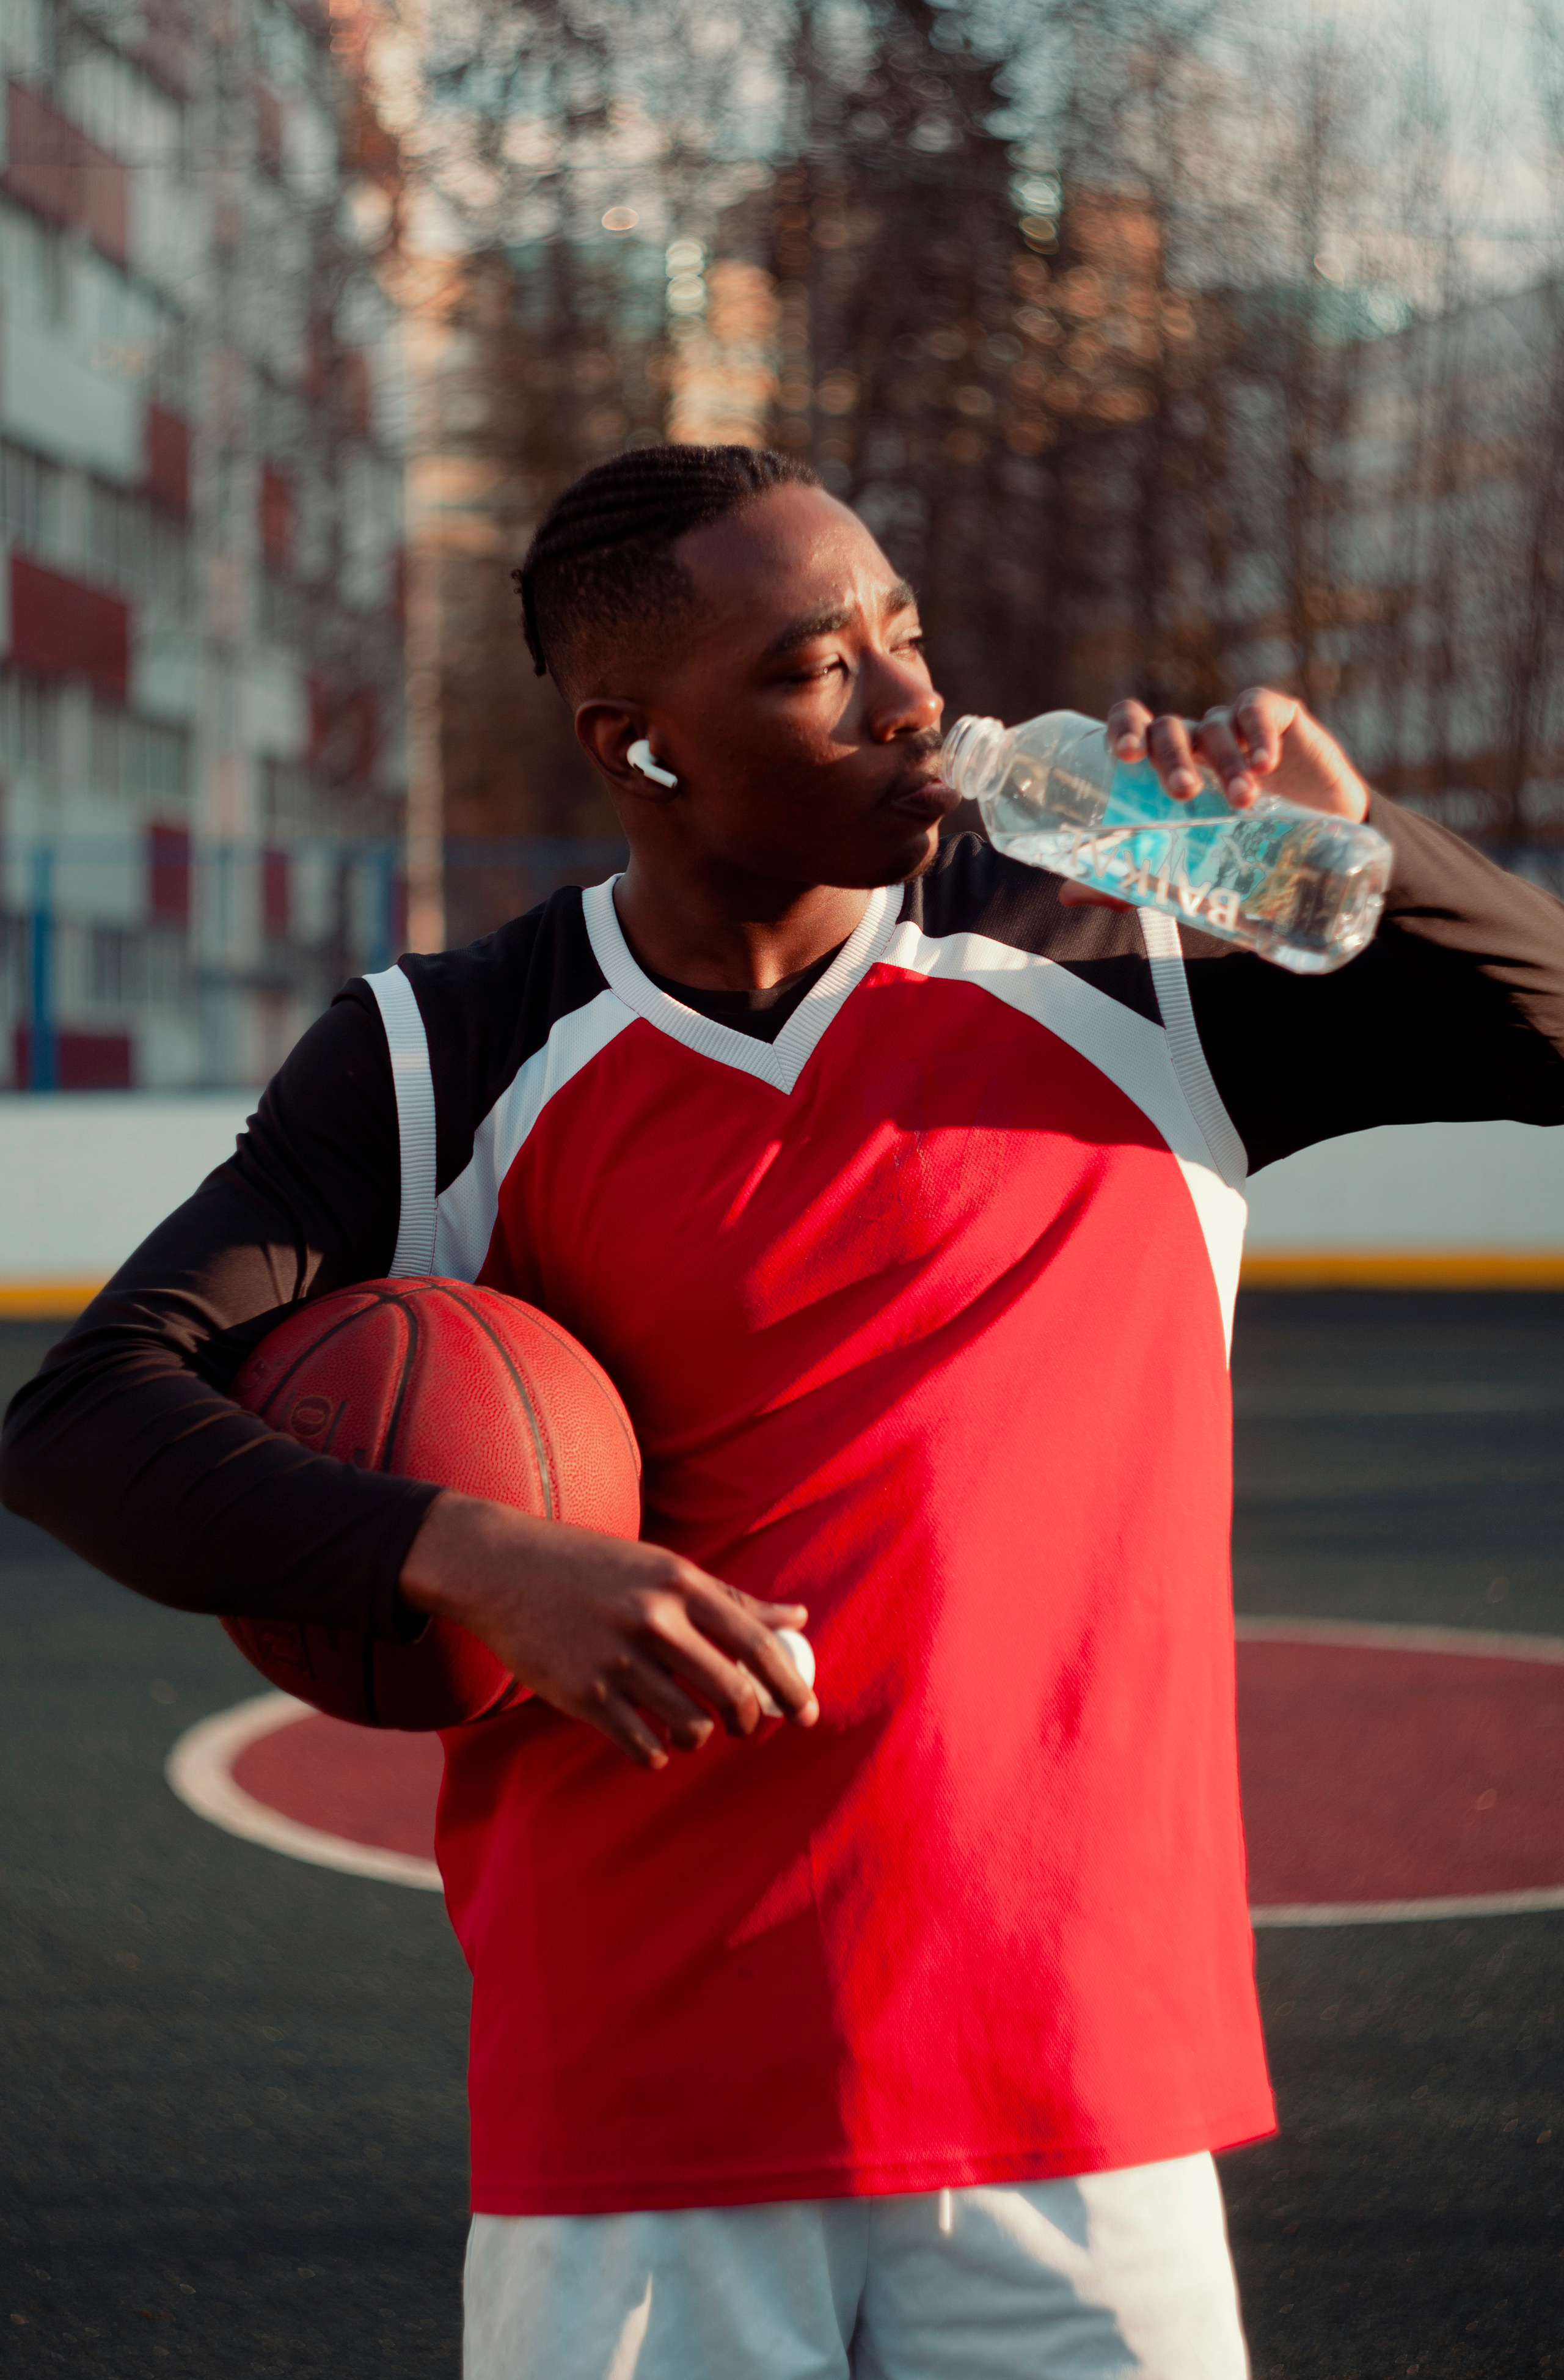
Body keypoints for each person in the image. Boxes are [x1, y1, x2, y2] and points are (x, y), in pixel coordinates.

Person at [5, 444, 1564, 2380]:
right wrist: (467, 1554)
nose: (914, 697)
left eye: (903, 631)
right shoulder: (442, 1056)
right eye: (818, 666)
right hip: (644, 2113)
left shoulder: (1133, 966)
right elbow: (80, 1420)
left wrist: (1372, 849)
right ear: (636, 743)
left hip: (1083, 2094)